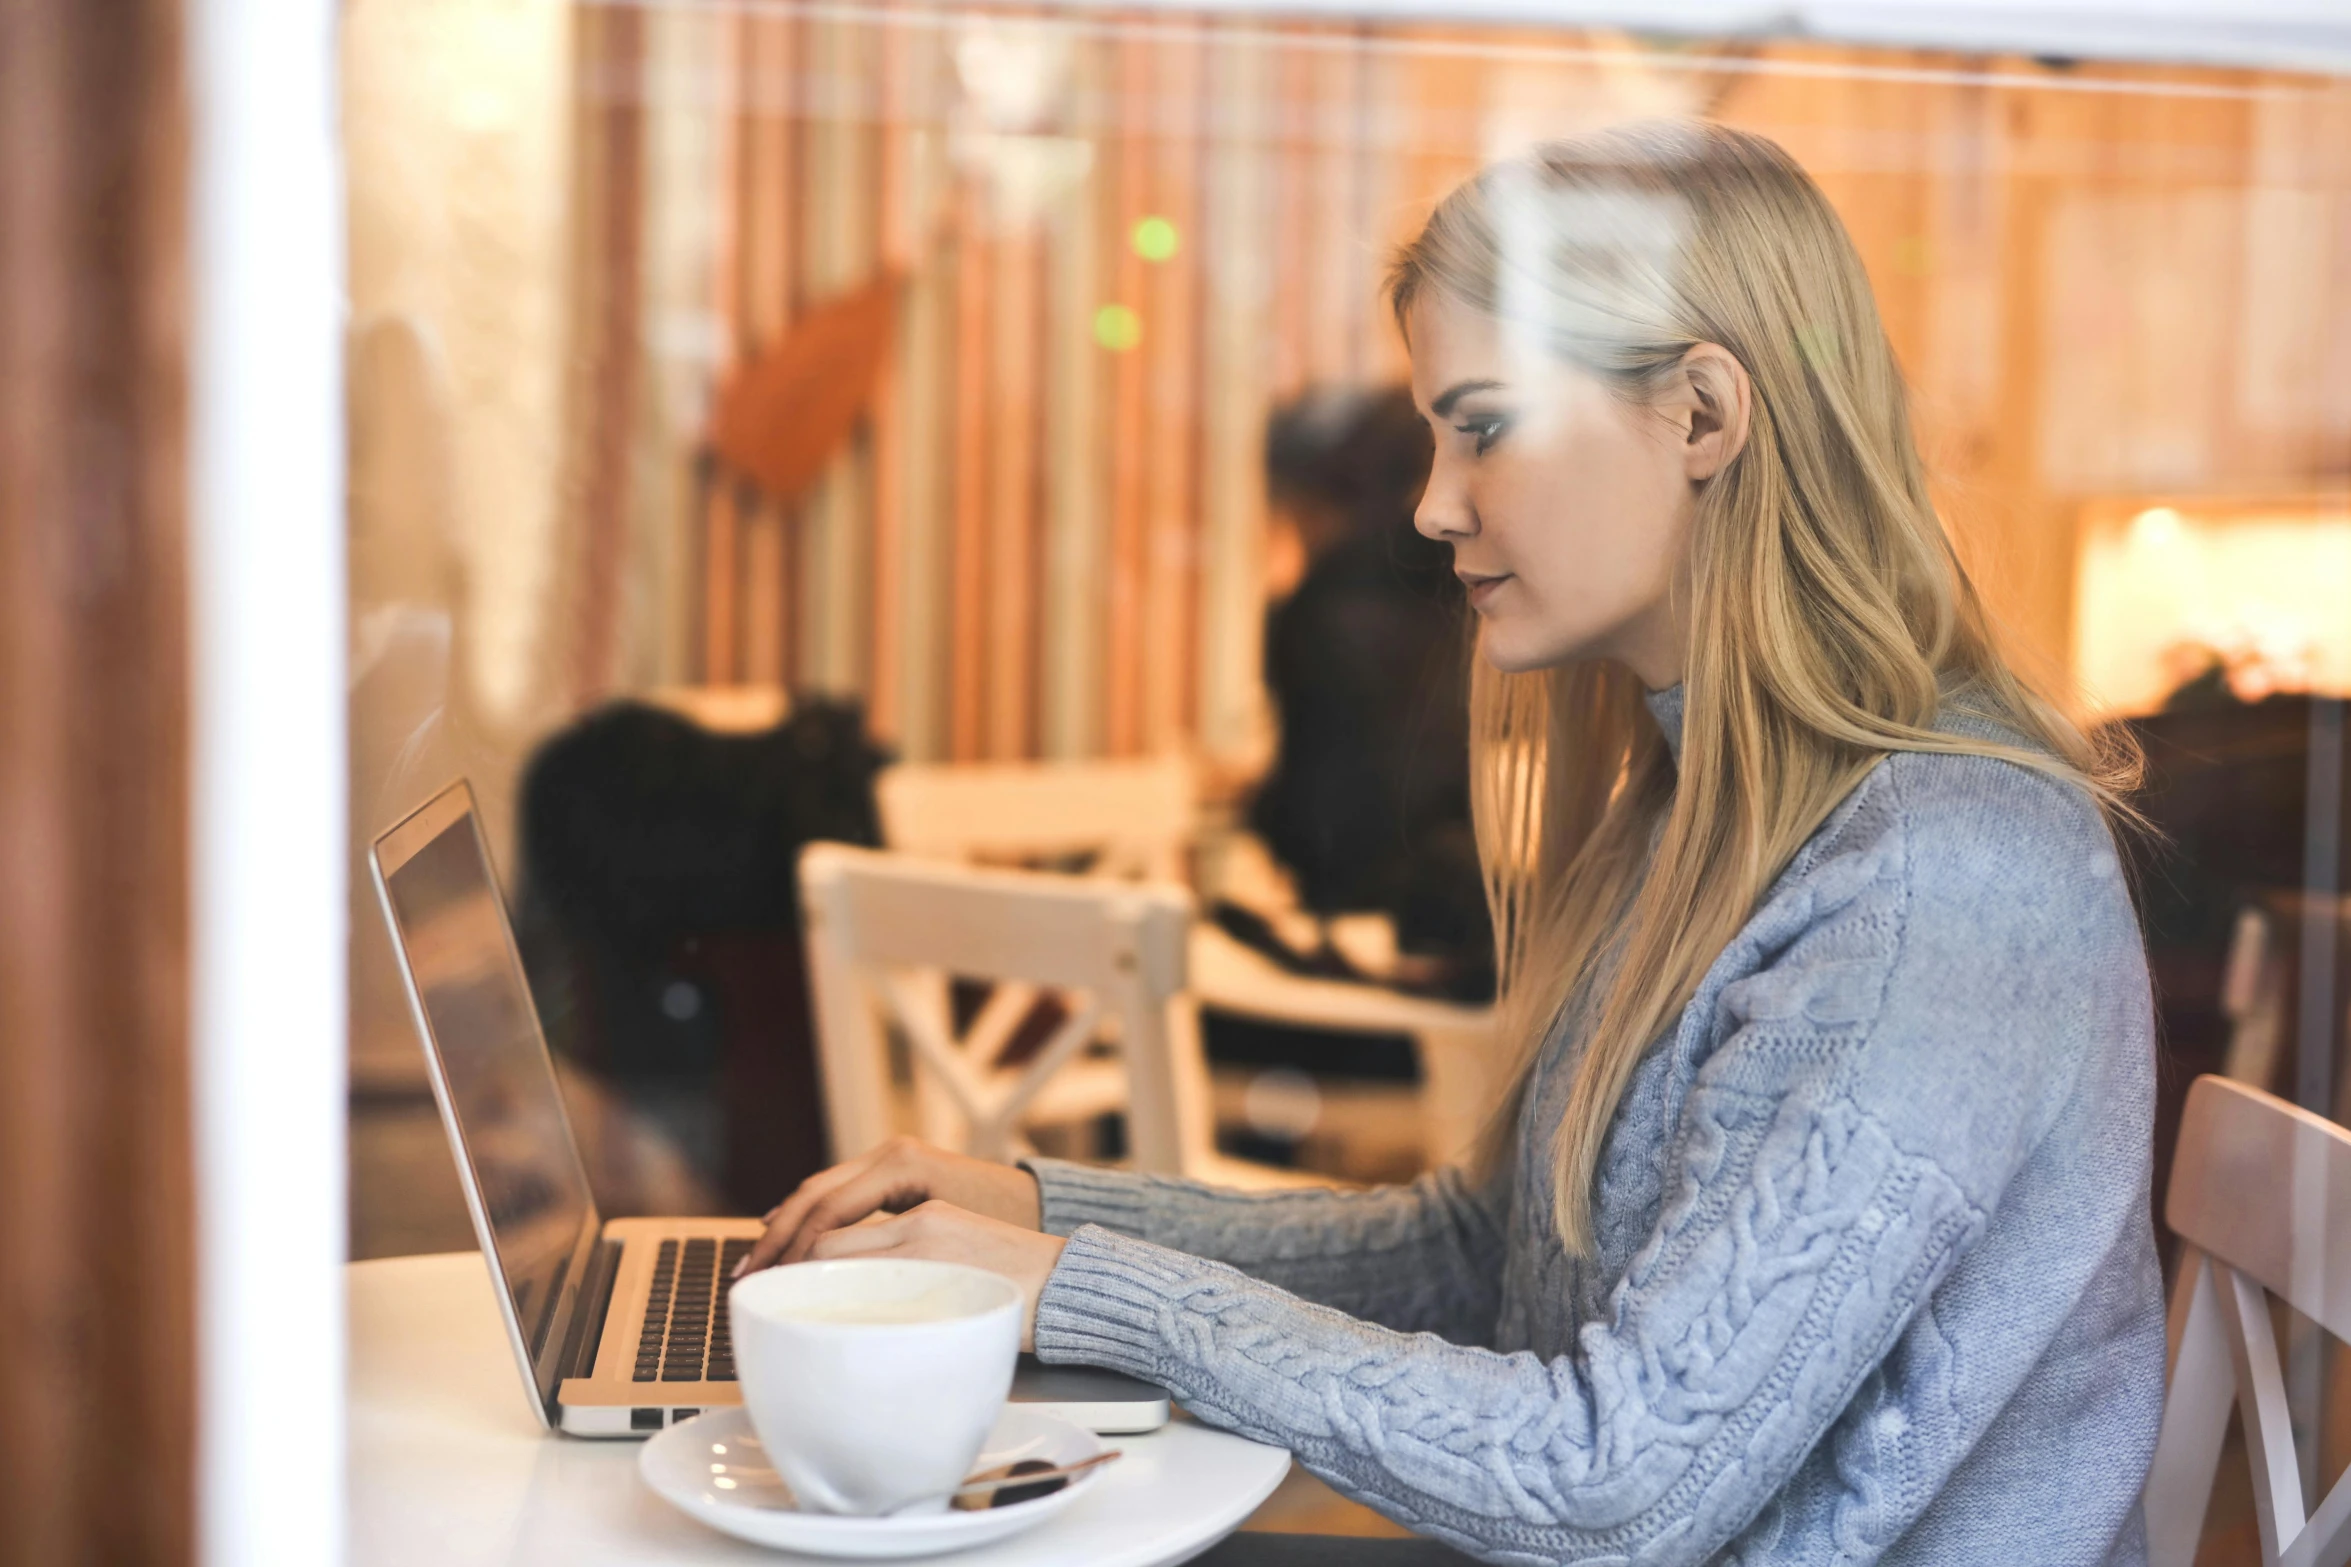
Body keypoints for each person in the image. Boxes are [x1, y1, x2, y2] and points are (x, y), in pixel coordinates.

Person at [738, 121, 2164, 1565]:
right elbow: (1485, 1258)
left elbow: (1613, 1483)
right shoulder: (1695, 804)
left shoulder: (1936, 880)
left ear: (1699, 416)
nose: (1430, 503)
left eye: (1481, 423)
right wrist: (1040, 1214)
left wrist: (1078, 1289)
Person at [1246, 385, 1492, 999]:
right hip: (1451, 935)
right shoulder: (1460, 598)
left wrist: (1254, 804)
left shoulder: (1315, 608)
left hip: (1357, 961)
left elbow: (1317, 819)